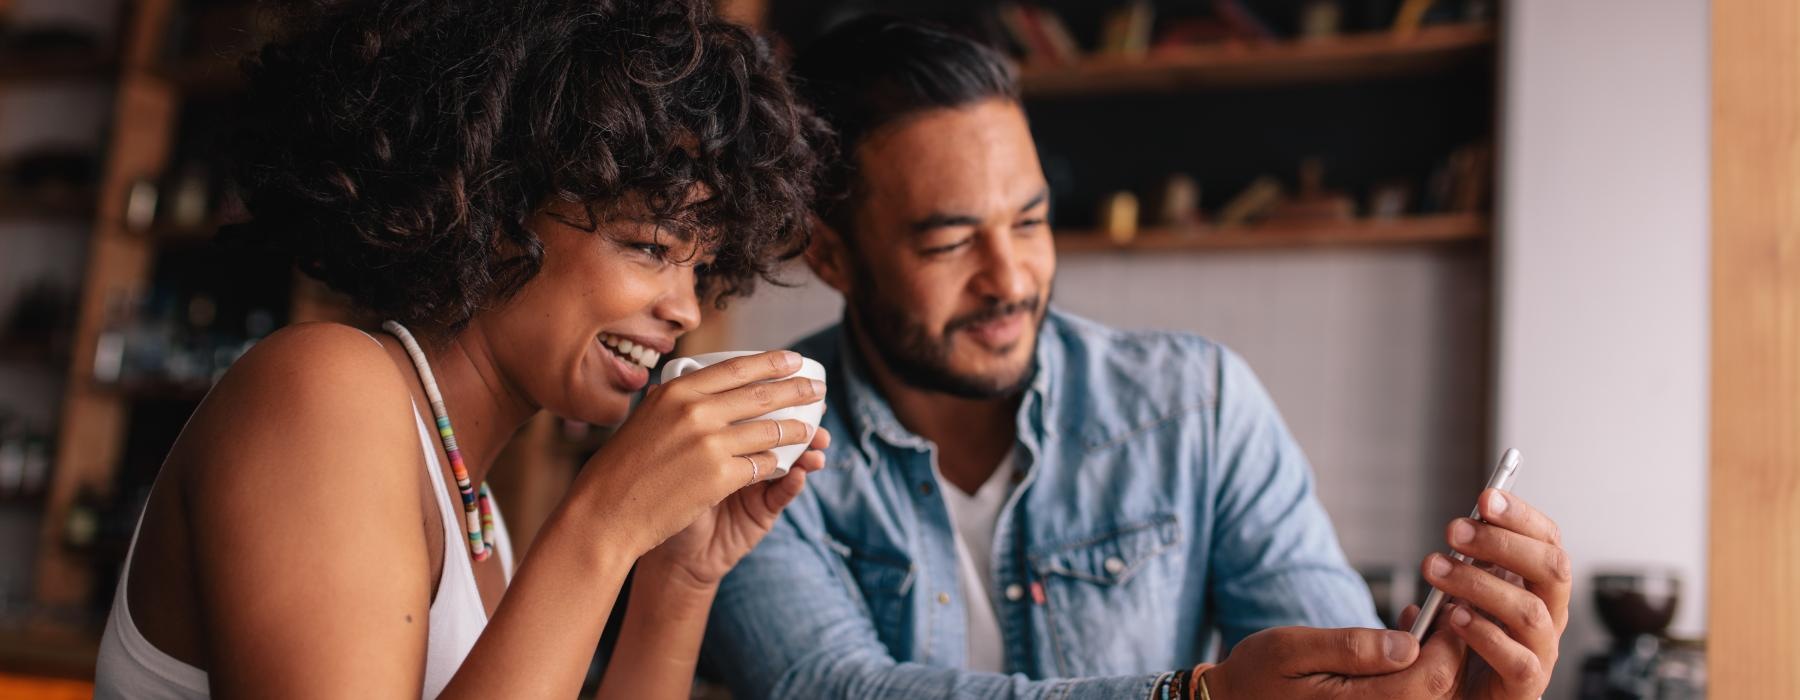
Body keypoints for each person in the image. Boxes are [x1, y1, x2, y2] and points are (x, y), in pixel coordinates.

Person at [702, 17, 1570, 699]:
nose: (1011, 279)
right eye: (950, 242)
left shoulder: (1199, 405)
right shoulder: (757, 437)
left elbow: (1332, 674)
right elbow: (823, 687)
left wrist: (1428, 685)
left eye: (1031, 223)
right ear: (831, 256)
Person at [91, 0, 833, 697]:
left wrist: (679, 577)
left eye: (702, 269)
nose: (684, 310)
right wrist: (602, 524)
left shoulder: (481, 523)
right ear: (495, 209)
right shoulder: (322, 390)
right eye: (647, 245)